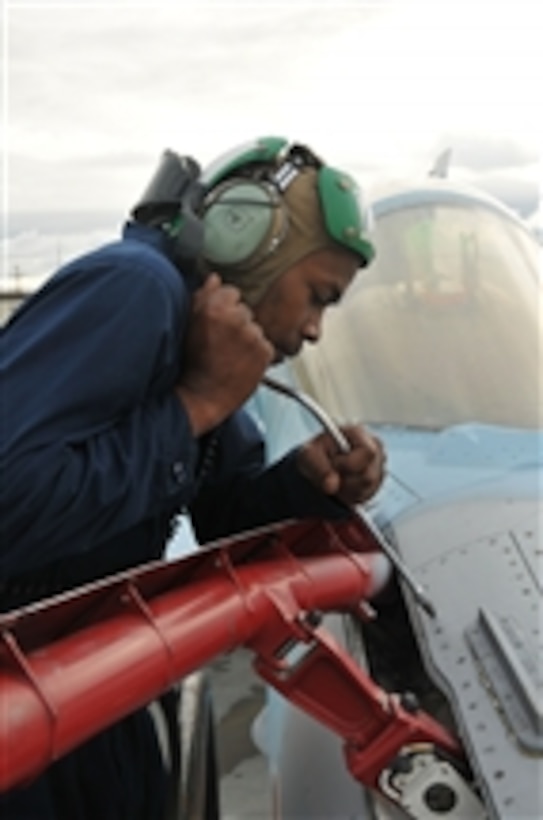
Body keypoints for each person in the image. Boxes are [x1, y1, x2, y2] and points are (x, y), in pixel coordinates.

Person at [0, 137, 385, 818]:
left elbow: (220, 513)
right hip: (25, 711)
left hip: (87, 689)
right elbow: (11, 506)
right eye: (317, 296)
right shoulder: (135, 289)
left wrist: (306, 480)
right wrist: (197, 404)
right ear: (251, 248)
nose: (316, 330)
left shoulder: (199, 335)